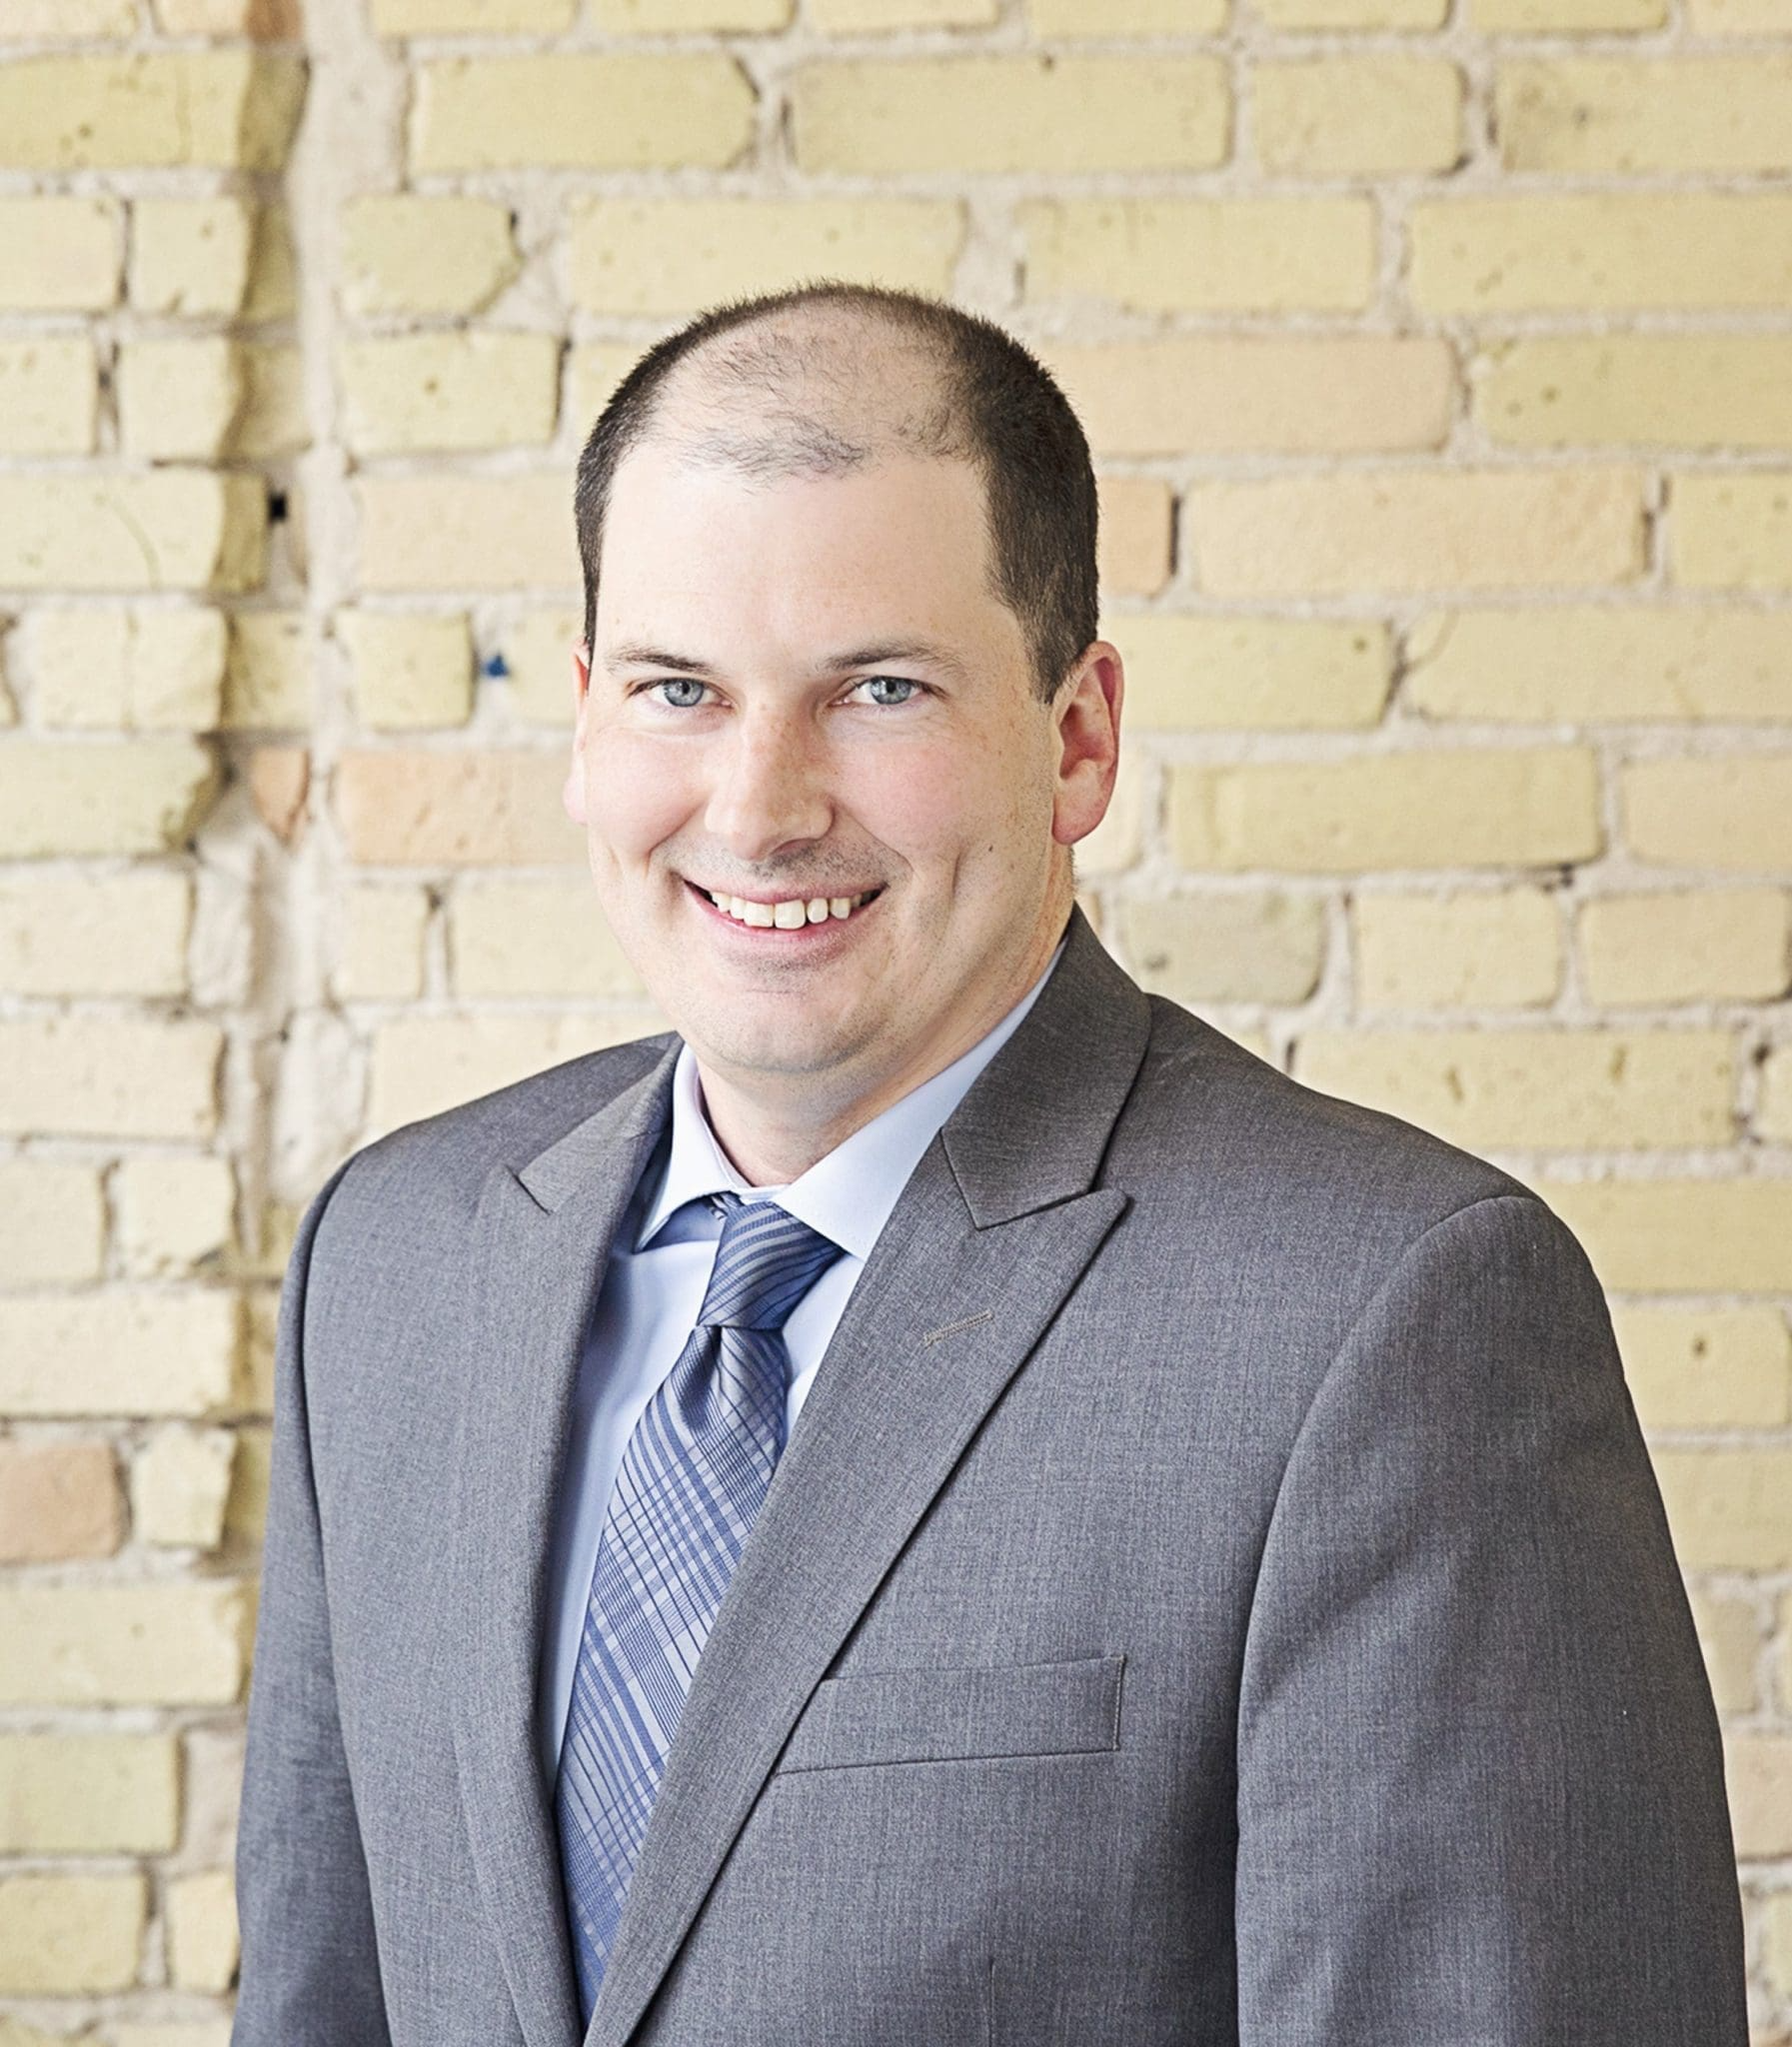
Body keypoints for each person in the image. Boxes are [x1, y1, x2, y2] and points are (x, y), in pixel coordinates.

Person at [232, 281, 1747, 2047]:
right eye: (677, 691)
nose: (760, 807)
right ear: (584, 723)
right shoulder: (393, 1263)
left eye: (880, 690)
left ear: (1077, 738)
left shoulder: (1389, 1324)